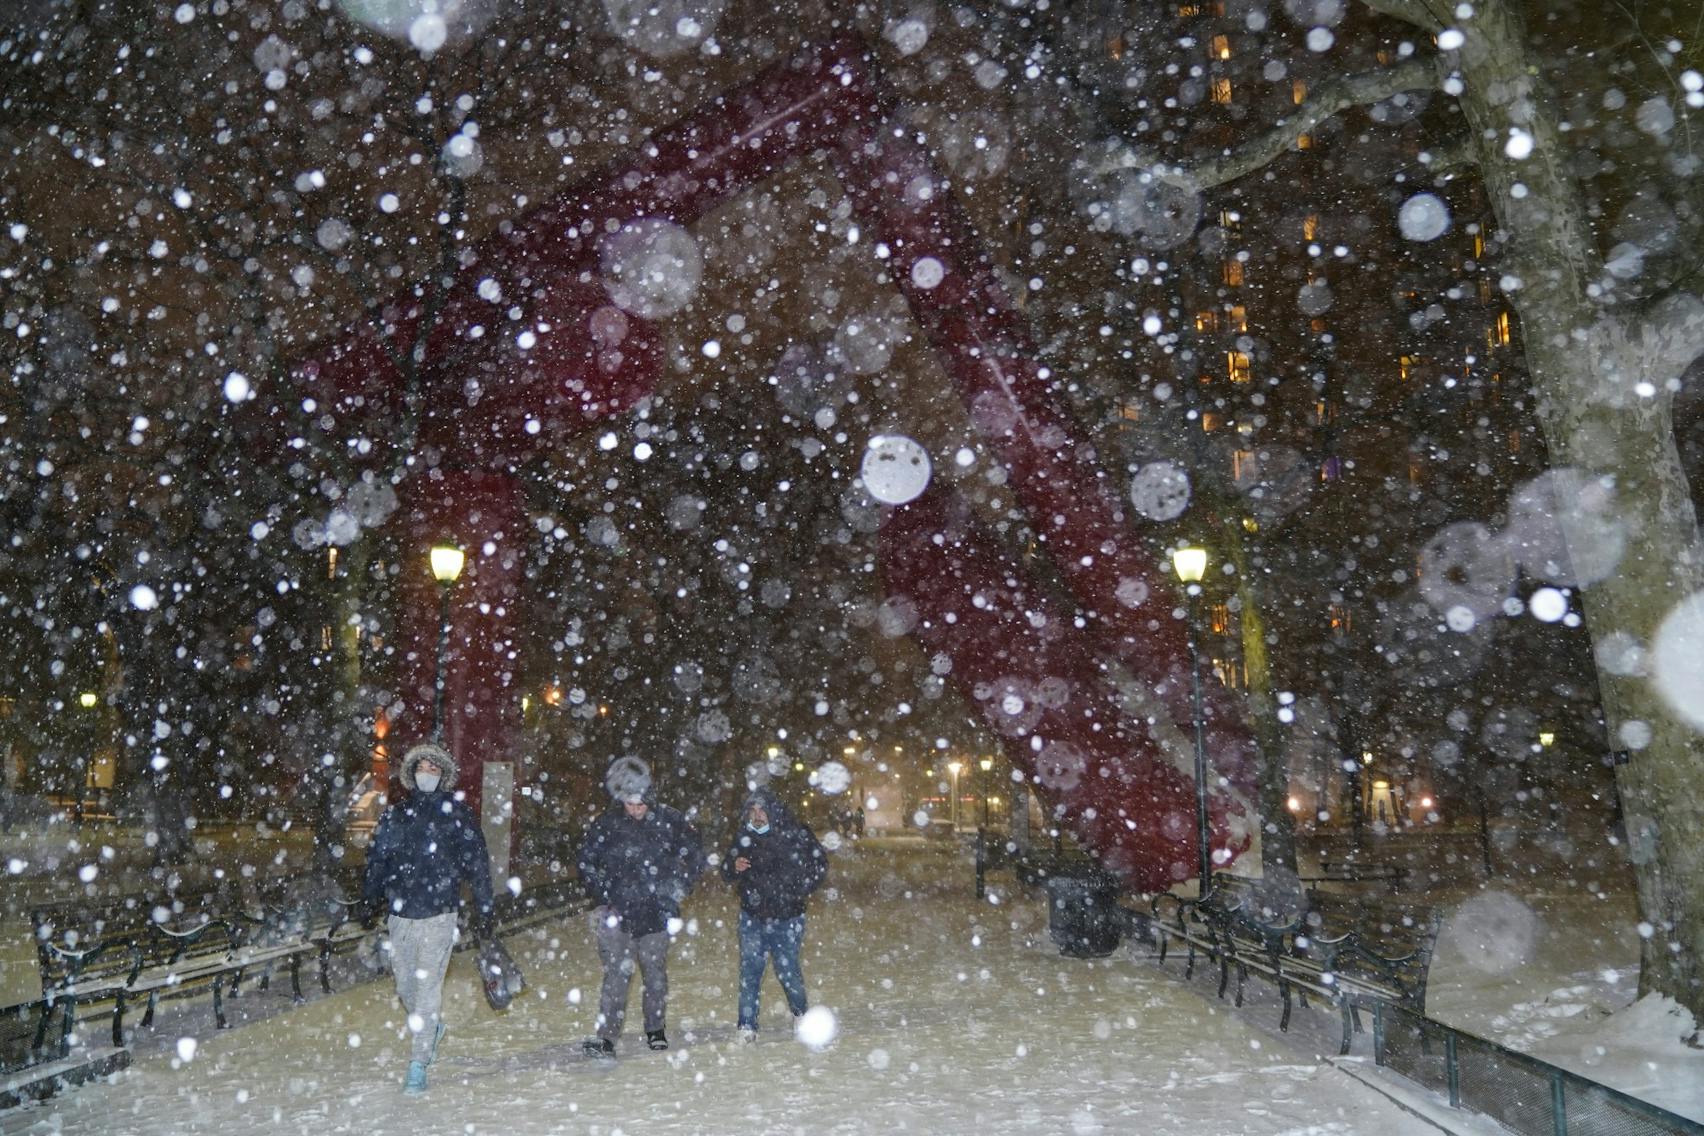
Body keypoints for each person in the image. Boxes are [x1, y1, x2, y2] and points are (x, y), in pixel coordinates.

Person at [360, 742, 495, 1095]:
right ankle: (430, 1029)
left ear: (444, 776)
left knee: (427, 989)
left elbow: (478, 864)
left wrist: (484, 906)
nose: (427, 773)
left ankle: (418, 1064)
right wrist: (369, 897)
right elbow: (378, 859)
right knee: (405, 986)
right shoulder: (396, 815)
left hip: (440, 913)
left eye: (434, 769)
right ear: (410, 773)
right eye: (421, 767)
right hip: (401, 914)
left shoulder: (458, 814)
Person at [576, 756, 703, 1056]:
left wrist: (676, 889)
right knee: (615, 977)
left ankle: (655, 1028)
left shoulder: (671, 821)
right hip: (616, 914)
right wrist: (604, 893)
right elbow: (585, 861)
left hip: (657, 914)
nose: (634, 810)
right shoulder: (607, 824)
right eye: (629, 803)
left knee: (655, 975)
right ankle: (606, 1036)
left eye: (640, 804)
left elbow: (695, 856)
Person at [722, 781, 828, 1042]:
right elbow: (726, 871)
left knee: (788, 969)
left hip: (788, 916)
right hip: (752, 916)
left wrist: (798, 887)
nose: (757, 816)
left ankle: (800, 1013)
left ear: (774, 811)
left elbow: (819, 864)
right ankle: (747, 1026)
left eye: (762, 811)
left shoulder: (795, 833)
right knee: (750, 971)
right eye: (753, 811)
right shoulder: (744, 836)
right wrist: (733, 866)